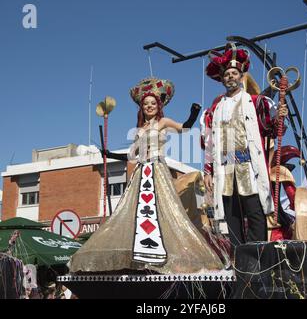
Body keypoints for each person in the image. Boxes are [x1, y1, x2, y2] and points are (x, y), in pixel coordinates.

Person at [69, 77, 224, 274]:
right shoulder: (139, 130)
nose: (149, 106)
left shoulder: (163, 122)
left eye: (152, 103)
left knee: (163, 211)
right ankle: (142, 258)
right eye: (145, 104)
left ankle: (165, 256)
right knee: (136, 212)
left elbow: (183, 128)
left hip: (157, 169)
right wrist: (110, 154)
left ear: (158, 106)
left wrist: (193, 114)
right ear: (141, 108)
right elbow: (131, 155)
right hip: (141, 172)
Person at [201, 43, 286, 254]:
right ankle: (239, 257)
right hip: (225, 166)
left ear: (241, 75)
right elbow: (209, 142)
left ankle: (257, 255)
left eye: (234, 73)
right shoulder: (215, 107)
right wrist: (208, 170)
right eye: (227, 74)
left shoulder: (255, 102)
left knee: (254, 210)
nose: (230, 76)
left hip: (248, 164)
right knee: (231, 213)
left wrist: (279, 117)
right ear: (222, 79)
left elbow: (270, 129)